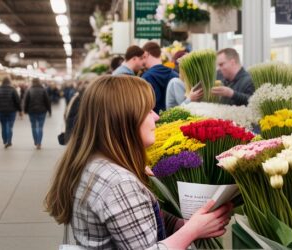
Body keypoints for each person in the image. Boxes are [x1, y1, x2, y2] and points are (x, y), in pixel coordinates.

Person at [45, 75, 232, 249]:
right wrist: (192, 230)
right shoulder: (119, 183)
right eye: (148, 111)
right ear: (124, 120)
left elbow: (136, 225)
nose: (156, 117)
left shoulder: (94, 162)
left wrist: (182, 225)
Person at [142, 41, 179, 113]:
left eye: (143, 57)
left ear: (146, 54)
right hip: (175, 119)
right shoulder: (174, 74)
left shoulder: (146, 77)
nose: (142, 61)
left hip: (154, 120)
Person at [24, 78, 51, 149]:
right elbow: (47, 101)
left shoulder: (29, 90)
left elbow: (26, 101)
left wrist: (25, 110)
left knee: (33, 127)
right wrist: (49, 111)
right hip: (42, 111)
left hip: (31, 111)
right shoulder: (43, 90)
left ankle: (36, 141)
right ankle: (39, 142)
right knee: (40, 127)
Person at [0, 77, 22, 148]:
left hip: (1, 111)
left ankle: (5, 141)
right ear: (9, 82)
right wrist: (20, 110)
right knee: (10, 126)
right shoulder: (13, 90)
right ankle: (9, 141)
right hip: (11, 111)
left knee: (3, 126)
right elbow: (17, 101)